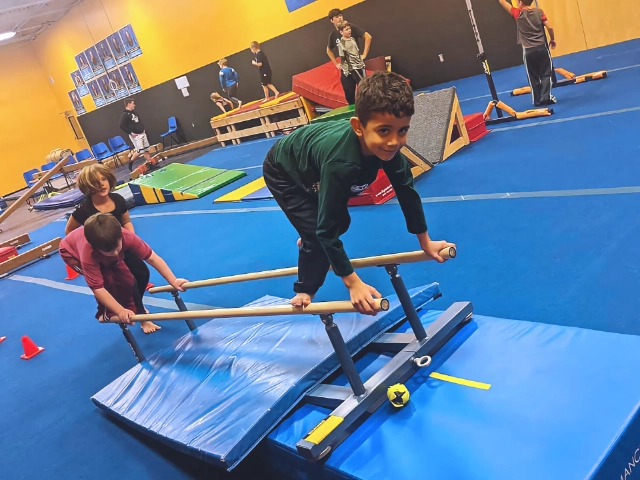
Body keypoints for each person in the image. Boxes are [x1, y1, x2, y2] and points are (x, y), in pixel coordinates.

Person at [263, 71, 454, 315]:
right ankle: (305, 288)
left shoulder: (391, 153)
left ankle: (308, 237)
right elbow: (325, 231)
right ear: (358, 127)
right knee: (318, 232)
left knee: (336, 223)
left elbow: (408, 195)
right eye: (384, 131)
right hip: (285, 169)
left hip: (313, 162)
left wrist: (425, 242)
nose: (394, 142)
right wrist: (353, 282)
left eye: (402, 130)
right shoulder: (342, 163)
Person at [64, 165, 161, 334]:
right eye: (96, 182)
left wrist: (130, 237)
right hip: (100, 253)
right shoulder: (83, 209)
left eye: (104, 179)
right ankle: (142, 317)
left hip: (120, 246)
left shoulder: (117, 199)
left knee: (142, 273)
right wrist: (87, 249)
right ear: (88, 186)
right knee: (127, 281)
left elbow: (126, 222)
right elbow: (69, 231)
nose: (102, 184)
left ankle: (134, 305)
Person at [60, 213, 188, 328]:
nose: (115, 253)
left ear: (120, 237)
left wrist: (173, 280)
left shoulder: (127, 236)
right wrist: (120, 311)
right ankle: (105, 313)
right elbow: (98, 288)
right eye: (108, 251)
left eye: (117, 248)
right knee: (107, 280)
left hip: (98, 247)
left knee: (128, 279)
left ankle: (134, 308)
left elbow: (153, 258)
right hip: (72, 254)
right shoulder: (88, 255)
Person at [498, 0, 557, 106]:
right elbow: (550, 27)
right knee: (546, 73)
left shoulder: (518, 13)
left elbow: (502, 2)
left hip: (528, 50)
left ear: (520, 2)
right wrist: (552, 39)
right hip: (542, 48)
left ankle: (537, 100)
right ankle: (546, 97)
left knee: (533, 76)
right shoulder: (539, 12)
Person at [326, 8, 372, 105]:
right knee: (349, 95)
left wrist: (364, 54)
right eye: (336, 17)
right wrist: (336, 63)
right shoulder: (333, 34)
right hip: (346, 69)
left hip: (357, 66)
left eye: (340, 15)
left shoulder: (350, 27)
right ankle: (355, 115)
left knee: (365, 92)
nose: (340, 18)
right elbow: (329, 50)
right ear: (332, 20)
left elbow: (368, 36)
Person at [119, 98, 154, 172]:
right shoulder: (125, 114)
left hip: (142, 133)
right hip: (136, 135)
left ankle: (150, 164)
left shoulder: (134, 113)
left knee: (146, 149)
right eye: (133, 103)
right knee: (140, 151)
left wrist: (143, 128)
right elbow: (122, 125)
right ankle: (131, 162)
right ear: (129, 104)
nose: (134, 105)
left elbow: (138, 122)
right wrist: (131, 133)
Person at [336, 22, 367, 94]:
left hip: (360, 64)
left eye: (349, 29)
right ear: (341, 32)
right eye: (346, 29)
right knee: (362, 86)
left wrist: (361, 61)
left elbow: (357, 52)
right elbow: (343, 58)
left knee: (366, 84)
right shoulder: (341, 44)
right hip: (353, 67)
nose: (349, 31)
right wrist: (346, 71)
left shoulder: (352, 39)